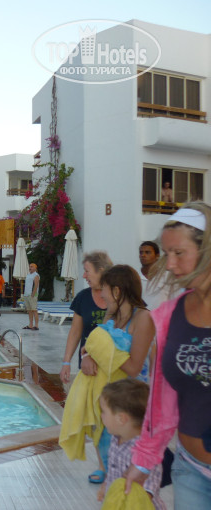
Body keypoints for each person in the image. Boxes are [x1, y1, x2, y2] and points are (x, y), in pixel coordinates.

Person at [125, 203, 211, 508]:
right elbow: (162, 399)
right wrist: (144, 460)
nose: (170, 264)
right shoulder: (169, 315)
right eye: (166, 253)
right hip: (191, 471)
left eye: (179, 253)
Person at [59, 251, 112, 482]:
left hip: (113, 368)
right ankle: (103, 466)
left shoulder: (119, 296)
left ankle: (116, 465)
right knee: (96, 418)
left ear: (101, 271)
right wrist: (66, 362)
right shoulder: (82, 297)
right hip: (89, 369)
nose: (84, 275)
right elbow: (75, 331)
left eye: (88, 271)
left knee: (114, 418)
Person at [97, 379, 166, 509]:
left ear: (121, 418)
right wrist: (107, 485)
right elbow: (114, 470)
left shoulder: (146, 453)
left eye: (104, 411)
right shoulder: (115, 438)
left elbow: (147, 492)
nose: (101, 416)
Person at [139, 241, 171, 311]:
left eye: (147, 252)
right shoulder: (134, 278)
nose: (143, 255)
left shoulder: (168, 277)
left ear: (157, 256)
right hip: (141, 317)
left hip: (163, 317)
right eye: (141, 252)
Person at [22, 263, 40, 330]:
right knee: (29, 310)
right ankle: (30, 325)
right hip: (26, 295)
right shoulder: (28, 275)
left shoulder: (36, 275)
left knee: (34, 310)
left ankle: (36, 325)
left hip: (32, 295)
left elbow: (36, 285)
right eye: (29, 266)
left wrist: (33, 294)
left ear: (35, 268)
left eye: (32, 266)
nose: (30, 268)